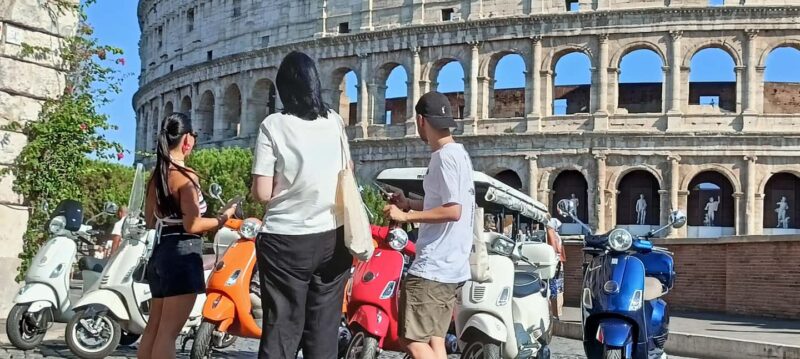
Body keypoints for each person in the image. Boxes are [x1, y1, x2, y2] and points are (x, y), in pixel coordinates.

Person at [250, 51, 353, 359]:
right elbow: (347, 170)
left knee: (282, 327)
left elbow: (262, 192)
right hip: (332, 238)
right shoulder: (334, 120)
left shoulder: (273, 125)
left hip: (286, 240)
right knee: (323, 331)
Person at [384, 91, 476, 359]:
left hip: (433, 267)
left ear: (420, 120)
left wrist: (405, 218)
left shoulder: (443, 157)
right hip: (451, 267)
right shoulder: (458, 155)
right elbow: (445, 202)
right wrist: (409, 204)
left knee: (411, 339)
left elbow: (453, 210)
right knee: (435, 341)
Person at [138, 113, 237, 359]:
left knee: (154, 329)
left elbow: (150, 220)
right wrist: (223, 218)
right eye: (193, 135)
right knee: (169, 334)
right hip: (183, 254)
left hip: (160, 253)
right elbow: (192, 224)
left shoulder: (157, 175)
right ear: (186, 141)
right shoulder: (185, 177)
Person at [546, 217, 565, 320]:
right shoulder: (554, 234)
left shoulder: (553, 234)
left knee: (555, 288)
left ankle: (555, 312)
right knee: (556, 288)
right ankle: (556, 312)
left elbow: (556, 249)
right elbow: (557, 249)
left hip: (555, 264)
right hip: (557, 263)